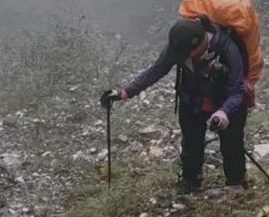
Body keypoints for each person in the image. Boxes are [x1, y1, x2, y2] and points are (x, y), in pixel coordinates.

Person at [100, 17, 249, 193]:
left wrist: (224, 112)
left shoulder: (227, 47)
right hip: (192, 99)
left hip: (225, 100)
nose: (182, 58)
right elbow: (157, 69)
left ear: (200, 43)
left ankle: (235, 184)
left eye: (186, 54)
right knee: (191, 142)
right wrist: (125, 92)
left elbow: (237, 91)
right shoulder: (178, 47)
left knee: (232, 142)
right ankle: (190, 181)